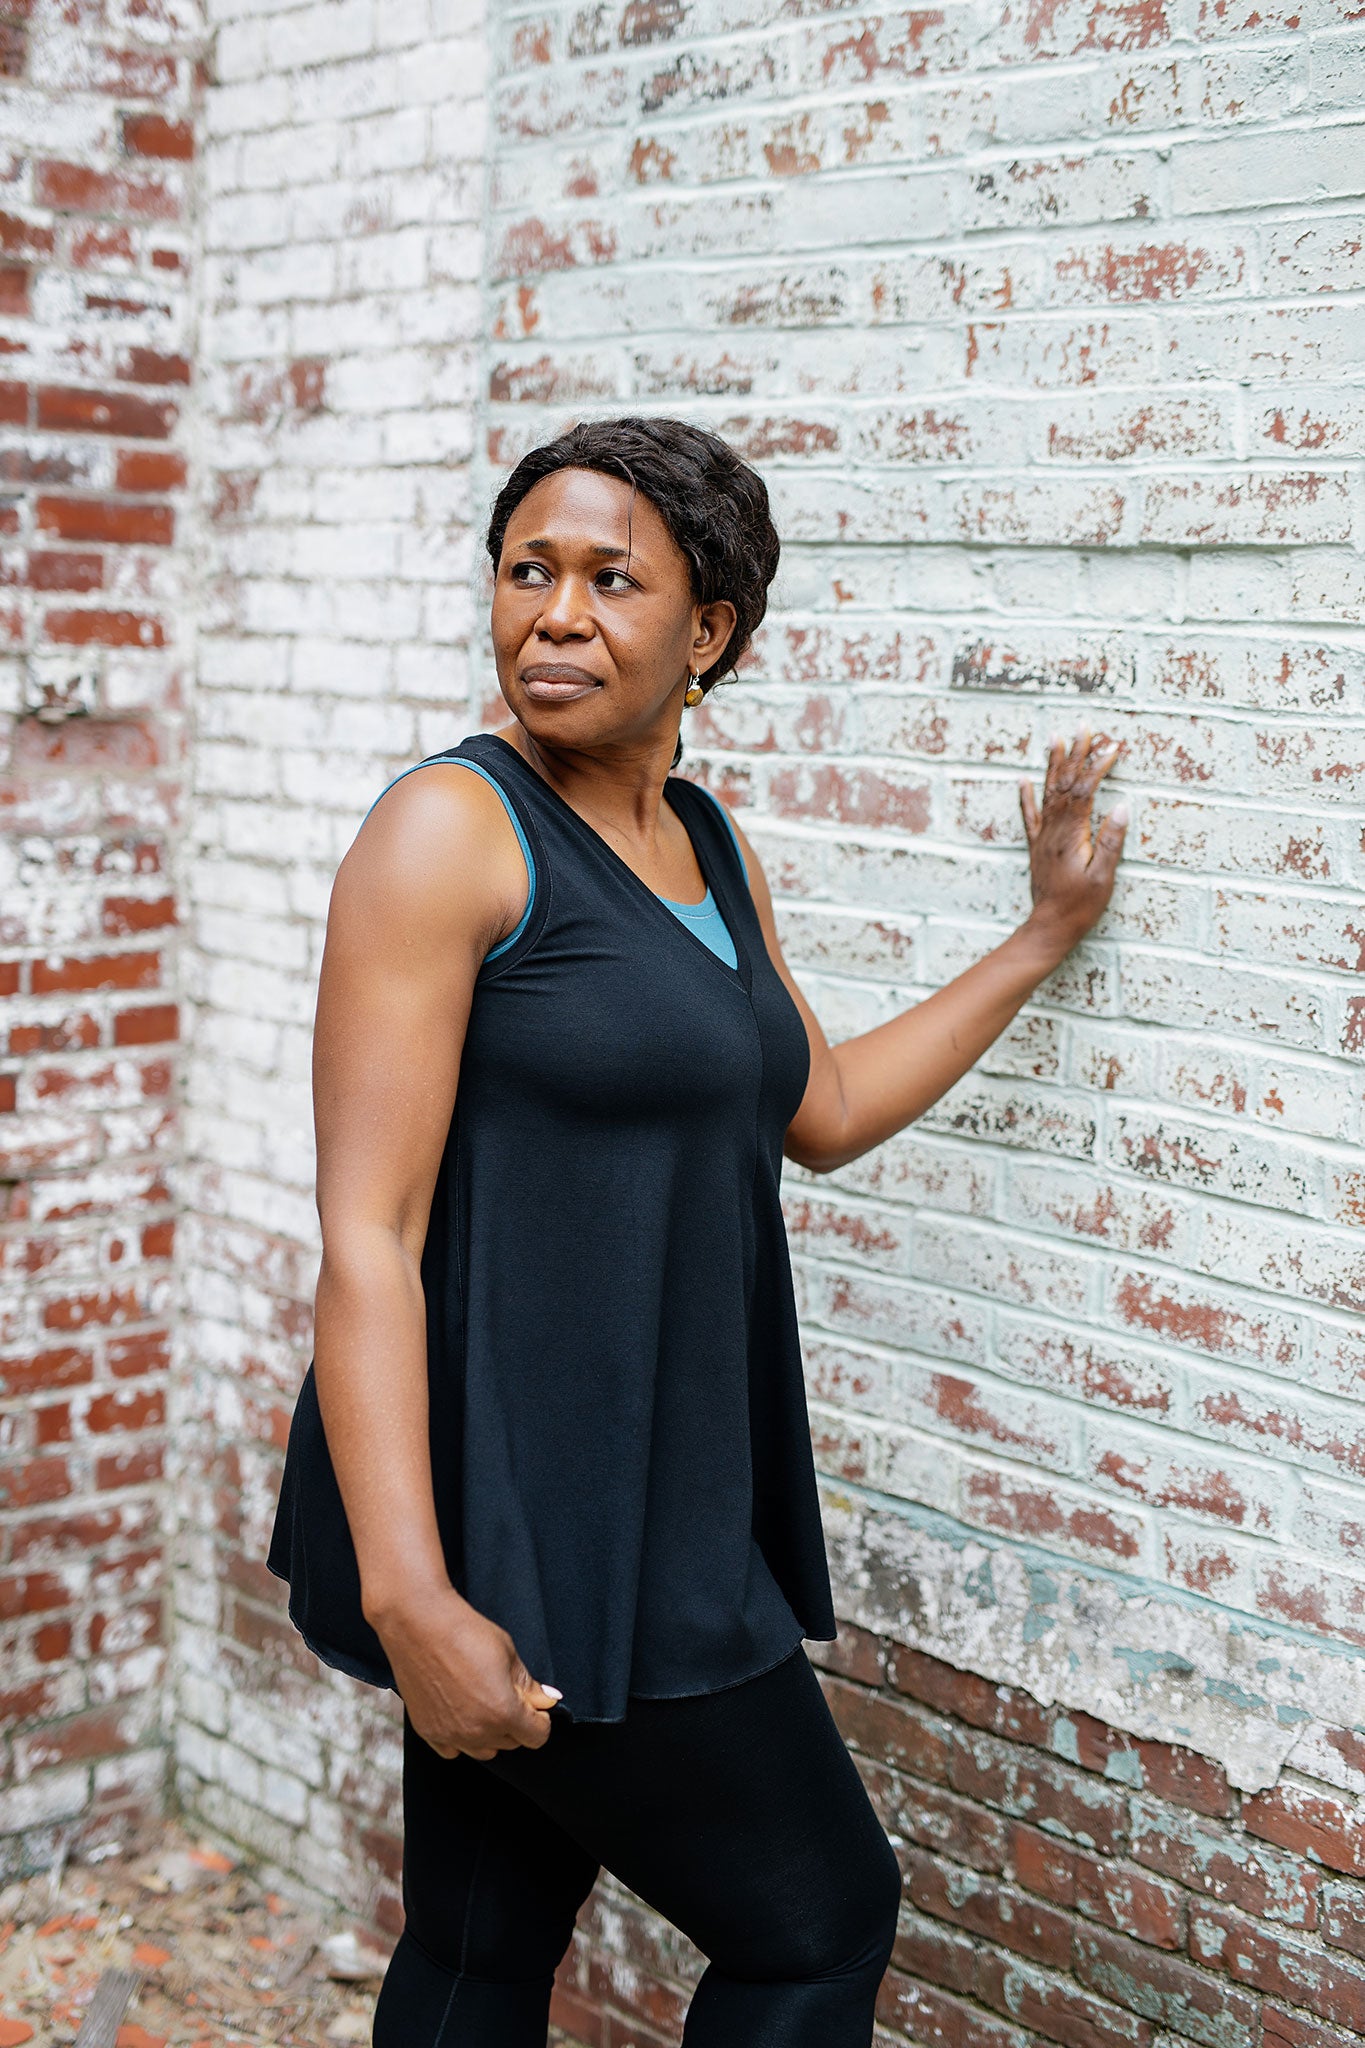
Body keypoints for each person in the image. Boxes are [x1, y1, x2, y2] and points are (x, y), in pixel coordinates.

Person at [267, 416, 1127, 2048]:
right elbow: (363, 1236)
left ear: (708, 631)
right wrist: (409, 1594)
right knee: (815, 1921)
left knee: (476, 1942)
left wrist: (1037, 937)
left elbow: (819, 1106)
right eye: (528, 571)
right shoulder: (450, 832)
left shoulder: (706, 846)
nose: (555, 615)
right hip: (517, 1511)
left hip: (654, 1478)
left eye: (610, 580)